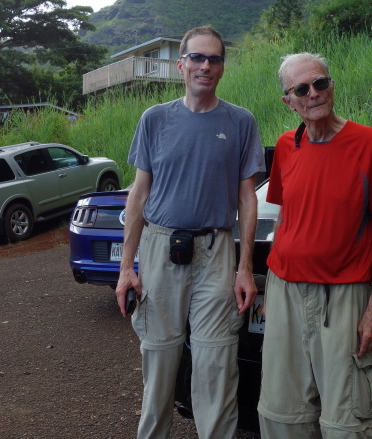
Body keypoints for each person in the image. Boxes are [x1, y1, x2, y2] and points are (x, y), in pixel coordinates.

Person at [115, 25, 264, 439]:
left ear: (222, 68)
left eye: (214, 59)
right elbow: (138, 196)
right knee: (159, 360)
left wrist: (245, 266)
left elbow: (247, 198)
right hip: (161, 247)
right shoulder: (155, 119)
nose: (205, 66)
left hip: (217, 251)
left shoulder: (240, 122)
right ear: (180, 65)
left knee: (217, 364)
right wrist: (128, 267)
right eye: (197, 58)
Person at [257, 52, 372, 439]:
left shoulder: (367, 142)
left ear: (332, 85)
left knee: (346, 421)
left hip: (342, 294)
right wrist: (272, 285)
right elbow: (286, 219)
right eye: (302, 89)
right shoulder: (286, 146)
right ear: (288, 101)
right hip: (285, 290)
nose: (314, 93)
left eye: (321, 83)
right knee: (281, 414)